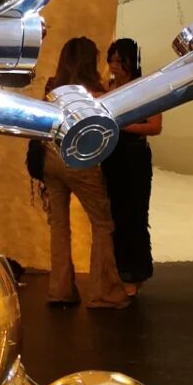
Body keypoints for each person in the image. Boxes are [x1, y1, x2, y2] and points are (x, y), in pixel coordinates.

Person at [42, 37, 131, 309]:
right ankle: (104, 292)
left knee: (59, 226)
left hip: (49, 160)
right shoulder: (93, 93)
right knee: (102, 223)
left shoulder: (52, 88)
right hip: (79, 163)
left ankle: (60, 290)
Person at [102, 37, 160, 294]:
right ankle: (117, 271)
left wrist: (121, 125)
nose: (114, 66)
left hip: (135, 156)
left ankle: (135, 273)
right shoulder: (107, 86)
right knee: (114, 214)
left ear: (131, 62)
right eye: (111, 60)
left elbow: (155, 126)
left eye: (119, 60)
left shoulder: (146, 88)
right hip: (112, 155)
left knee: (135, 214)